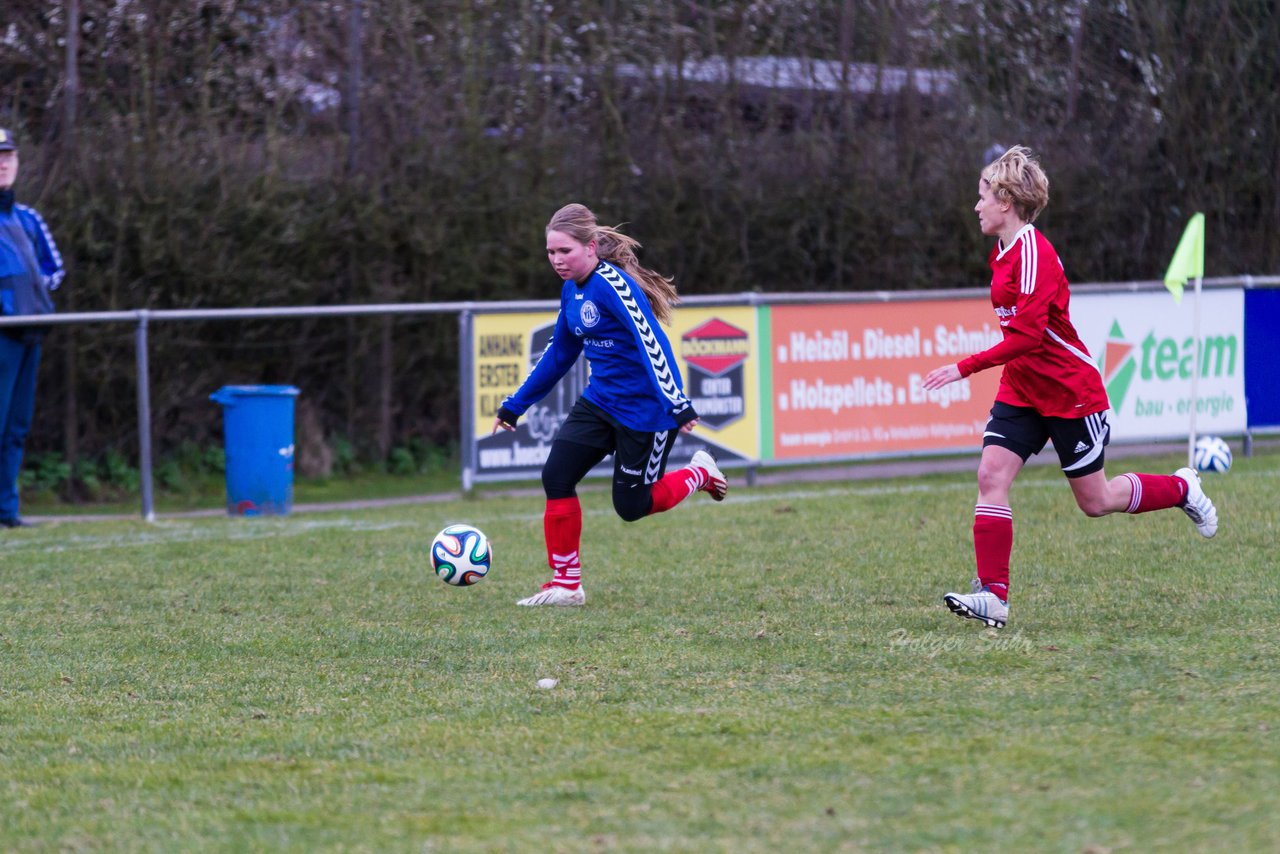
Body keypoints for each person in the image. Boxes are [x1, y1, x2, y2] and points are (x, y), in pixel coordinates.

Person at [922, 145, 1217, 629]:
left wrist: (964, 368)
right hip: (1023, 388)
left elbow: (1028, 337)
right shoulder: (1000, 252)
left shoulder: (1034, 253)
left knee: (1095, 501)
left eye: (982, 197)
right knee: (991, 477)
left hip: (1068, 391)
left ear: (1006, 201)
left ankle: (1183, 487)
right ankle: (995, 596)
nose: (975, 206)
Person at [493, 203, 727, 606]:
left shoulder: (613, 285)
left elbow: (651, 340)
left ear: (590, 247)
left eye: (564, 251)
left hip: (647, 413)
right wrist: (516, 405)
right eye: (550, 252)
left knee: (631, 506)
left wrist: (677, 403)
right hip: (600, 402)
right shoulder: (571, 291)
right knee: (557, 477)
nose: (556, 260)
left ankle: (699, 473)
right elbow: (558, 355)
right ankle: (566, 585)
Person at [0, 128, 64, 528]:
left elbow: (54, 269)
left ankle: (6, 510)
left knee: (16, 427)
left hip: (29, 334)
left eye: (8, 156)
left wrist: (30, 292)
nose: (3, 164)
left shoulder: (28, 219)